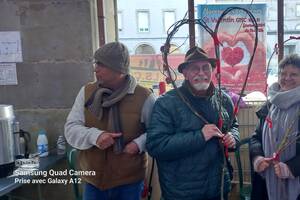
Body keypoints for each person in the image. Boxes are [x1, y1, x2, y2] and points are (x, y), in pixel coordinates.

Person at [64, 42, 156, 200]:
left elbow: (156, 132)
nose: (95, 68)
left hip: (130, 183)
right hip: (93, 182)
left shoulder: (144, 97)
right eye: (96, 63)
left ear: (118, 69)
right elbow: (71, 129)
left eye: (101, 64)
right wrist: (95, 136)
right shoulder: (87, 92)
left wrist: (138, 144)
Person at [146, 47, 240, 200]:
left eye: (205, 68)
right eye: (195, 69)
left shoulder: (224, 99)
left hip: (218, 187)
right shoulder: (166, 103)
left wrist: (233, 138)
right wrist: (200, 136)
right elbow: (156, 145)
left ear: (213, 71)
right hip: (181, 192)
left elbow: (233, 126)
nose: (201, 73)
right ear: (185, 73)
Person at [249, 54, 300, 200]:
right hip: (267, 180)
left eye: (294, 74)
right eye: (283, 74)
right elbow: (255, 137)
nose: (287, 78)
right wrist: (257, 158)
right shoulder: (271, 104)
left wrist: (291, 168)